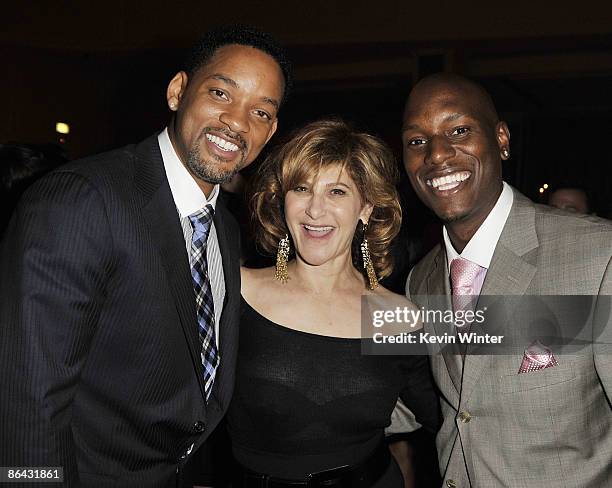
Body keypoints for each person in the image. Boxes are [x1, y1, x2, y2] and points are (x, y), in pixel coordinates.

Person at [0, 25, 290, 487]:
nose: (237, 122)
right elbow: (24, 400)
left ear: (271, 130)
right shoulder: (82, 200)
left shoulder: (228, 230)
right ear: (178, 91)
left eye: (260, 111)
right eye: (220, 92)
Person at [396, 73, 612, 487]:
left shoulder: (598, 257)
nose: (437, 155)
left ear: (502, 140)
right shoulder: (420, 281)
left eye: (459, 130)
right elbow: (435, 403)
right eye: (417, 141)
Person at [226, 119, 439, 488]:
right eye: (302, 188)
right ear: (282, 201)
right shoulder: (238, 292)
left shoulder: (398, 318)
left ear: (366, 207)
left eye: (337, 192)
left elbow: (450, 415)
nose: (314, 210)